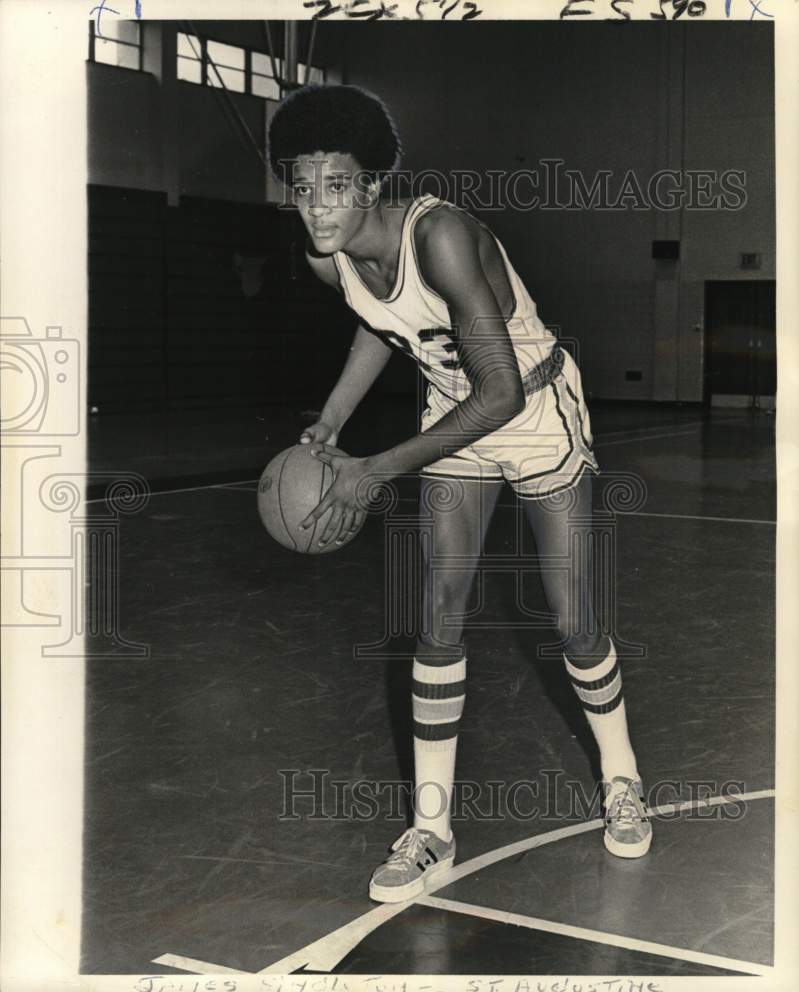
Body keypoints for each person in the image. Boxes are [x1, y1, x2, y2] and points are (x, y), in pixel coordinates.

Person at [267, 84, 652, 904]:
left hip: (532, 405)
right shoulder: (324, 253)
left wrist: (376, 467)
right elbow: (381, 325)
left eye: (334, 186)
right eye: (300, 187)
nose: (314, 206)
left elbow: (502, 393)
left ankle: (621, 778)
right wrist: (331, 424)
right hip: (452, 407)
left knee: (573, 618)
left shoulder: (439, 235)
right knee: (437, 616)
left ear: (371, 185)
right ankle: (431, 829)